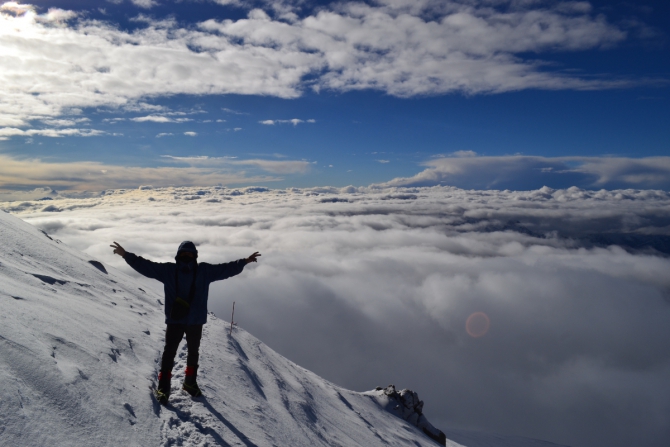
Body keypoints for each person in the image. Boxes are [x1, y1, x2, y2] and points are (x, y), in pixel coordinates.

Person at [110, 240, 260, 404]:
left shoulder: (196, 271)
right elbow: (145, 266)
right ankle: (165, 387)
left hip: (189, 321)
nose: (187, 256)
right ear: (179, 255)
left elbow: (225, 268)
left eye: (189, 254)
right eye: (184, 254)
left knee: (189, 352)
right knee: (172, 353)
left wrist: (244, 262)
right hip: (185, 320)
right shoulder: (183, 271)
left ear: (194, 256)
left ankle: (188, 382)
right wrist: (126, 255)